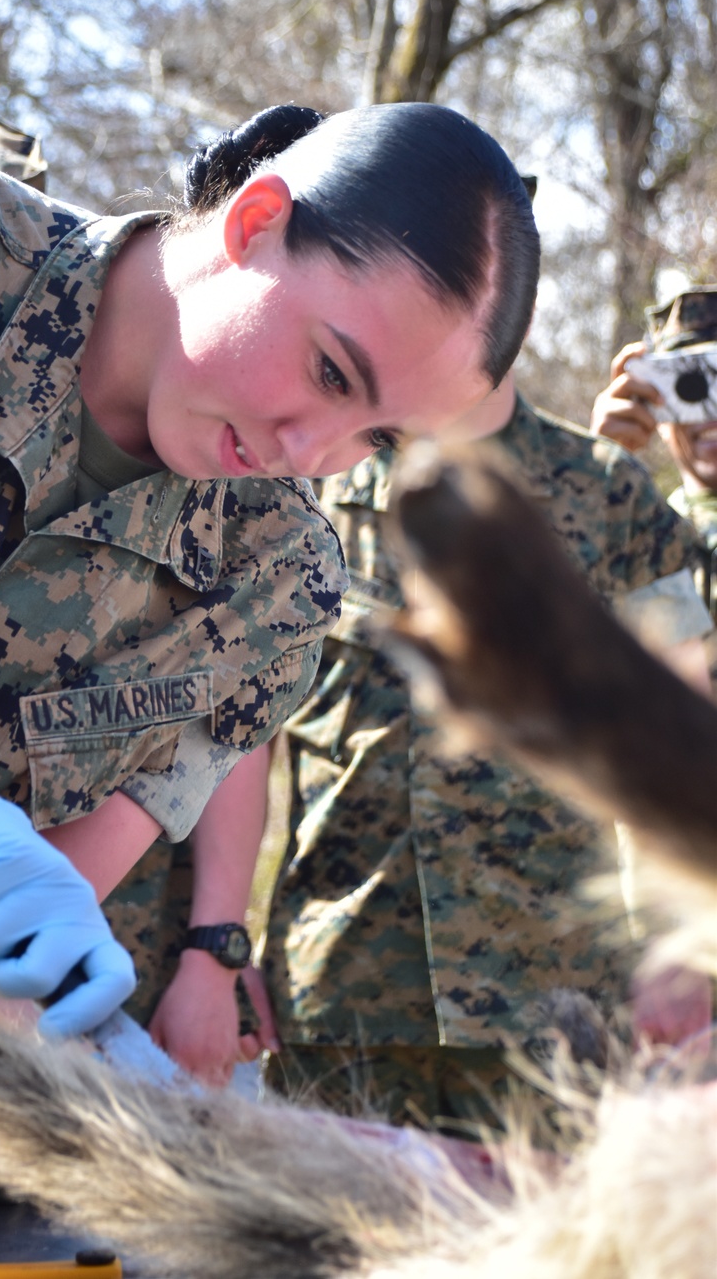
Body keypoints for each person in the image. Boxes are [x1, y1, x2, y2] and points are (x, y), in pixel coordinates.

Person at [0, 100, 539, 1229]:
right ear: (254, 221)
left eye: (376, 440)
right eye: (332, 373)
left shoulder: (279, 585)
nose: (311, 454)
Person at [133, 372, 713, 1115]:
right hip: (341, 1005)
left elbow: (672, 734)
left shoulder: (610, 493)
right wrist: (219, 948)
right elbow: (242, 741)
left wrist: (681, 950)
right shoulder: (300, 493)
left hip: (558, 1014)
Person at [590, 286, 717, 612]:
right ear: (651, 404)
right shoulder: (640, 534)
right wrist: (596, 482)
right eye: (690, 388)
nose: (712, 411)